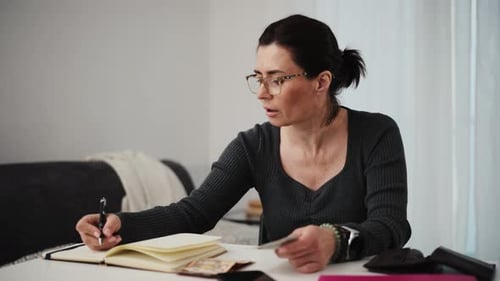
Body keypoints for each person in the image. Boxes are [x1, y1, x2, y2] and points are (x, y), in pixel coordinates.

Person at [76, 14, 411, 273]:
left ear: (321, 81)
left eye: (278, 79)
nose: (263, 93)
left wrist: (335, 240)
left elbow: (391, 225)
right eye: (258, 78)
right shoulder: (254, 146)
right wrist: (122, 224)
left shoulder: (376, 134)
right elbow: (194, 213)